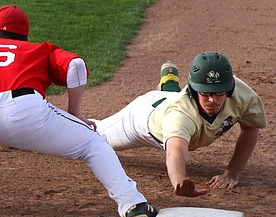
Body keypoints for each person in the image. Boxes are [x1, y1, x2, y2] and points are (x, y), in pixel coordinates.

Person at [0, 5, 158, 217]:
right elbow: (76, 65)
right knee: (93, 144)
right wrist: (75, 112)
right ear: (23, 36)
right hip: (26, 115)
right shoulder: (39, 50)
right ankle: (132, 204)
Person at [93, 51, 267, 197]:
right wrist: (179, 181)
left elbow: (250, 128)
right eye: (205, 93)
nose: (213, 99)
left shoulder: (243, 95)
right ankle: (73, 122)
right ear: (193, 89)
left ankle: (169, 84)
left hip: (169, 103)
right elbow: (175, 150)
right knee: (95, 137)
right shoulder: (180, 114)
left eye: (219, 92)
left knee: (174, 100)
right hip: (142, 118)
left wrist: (232, 173)